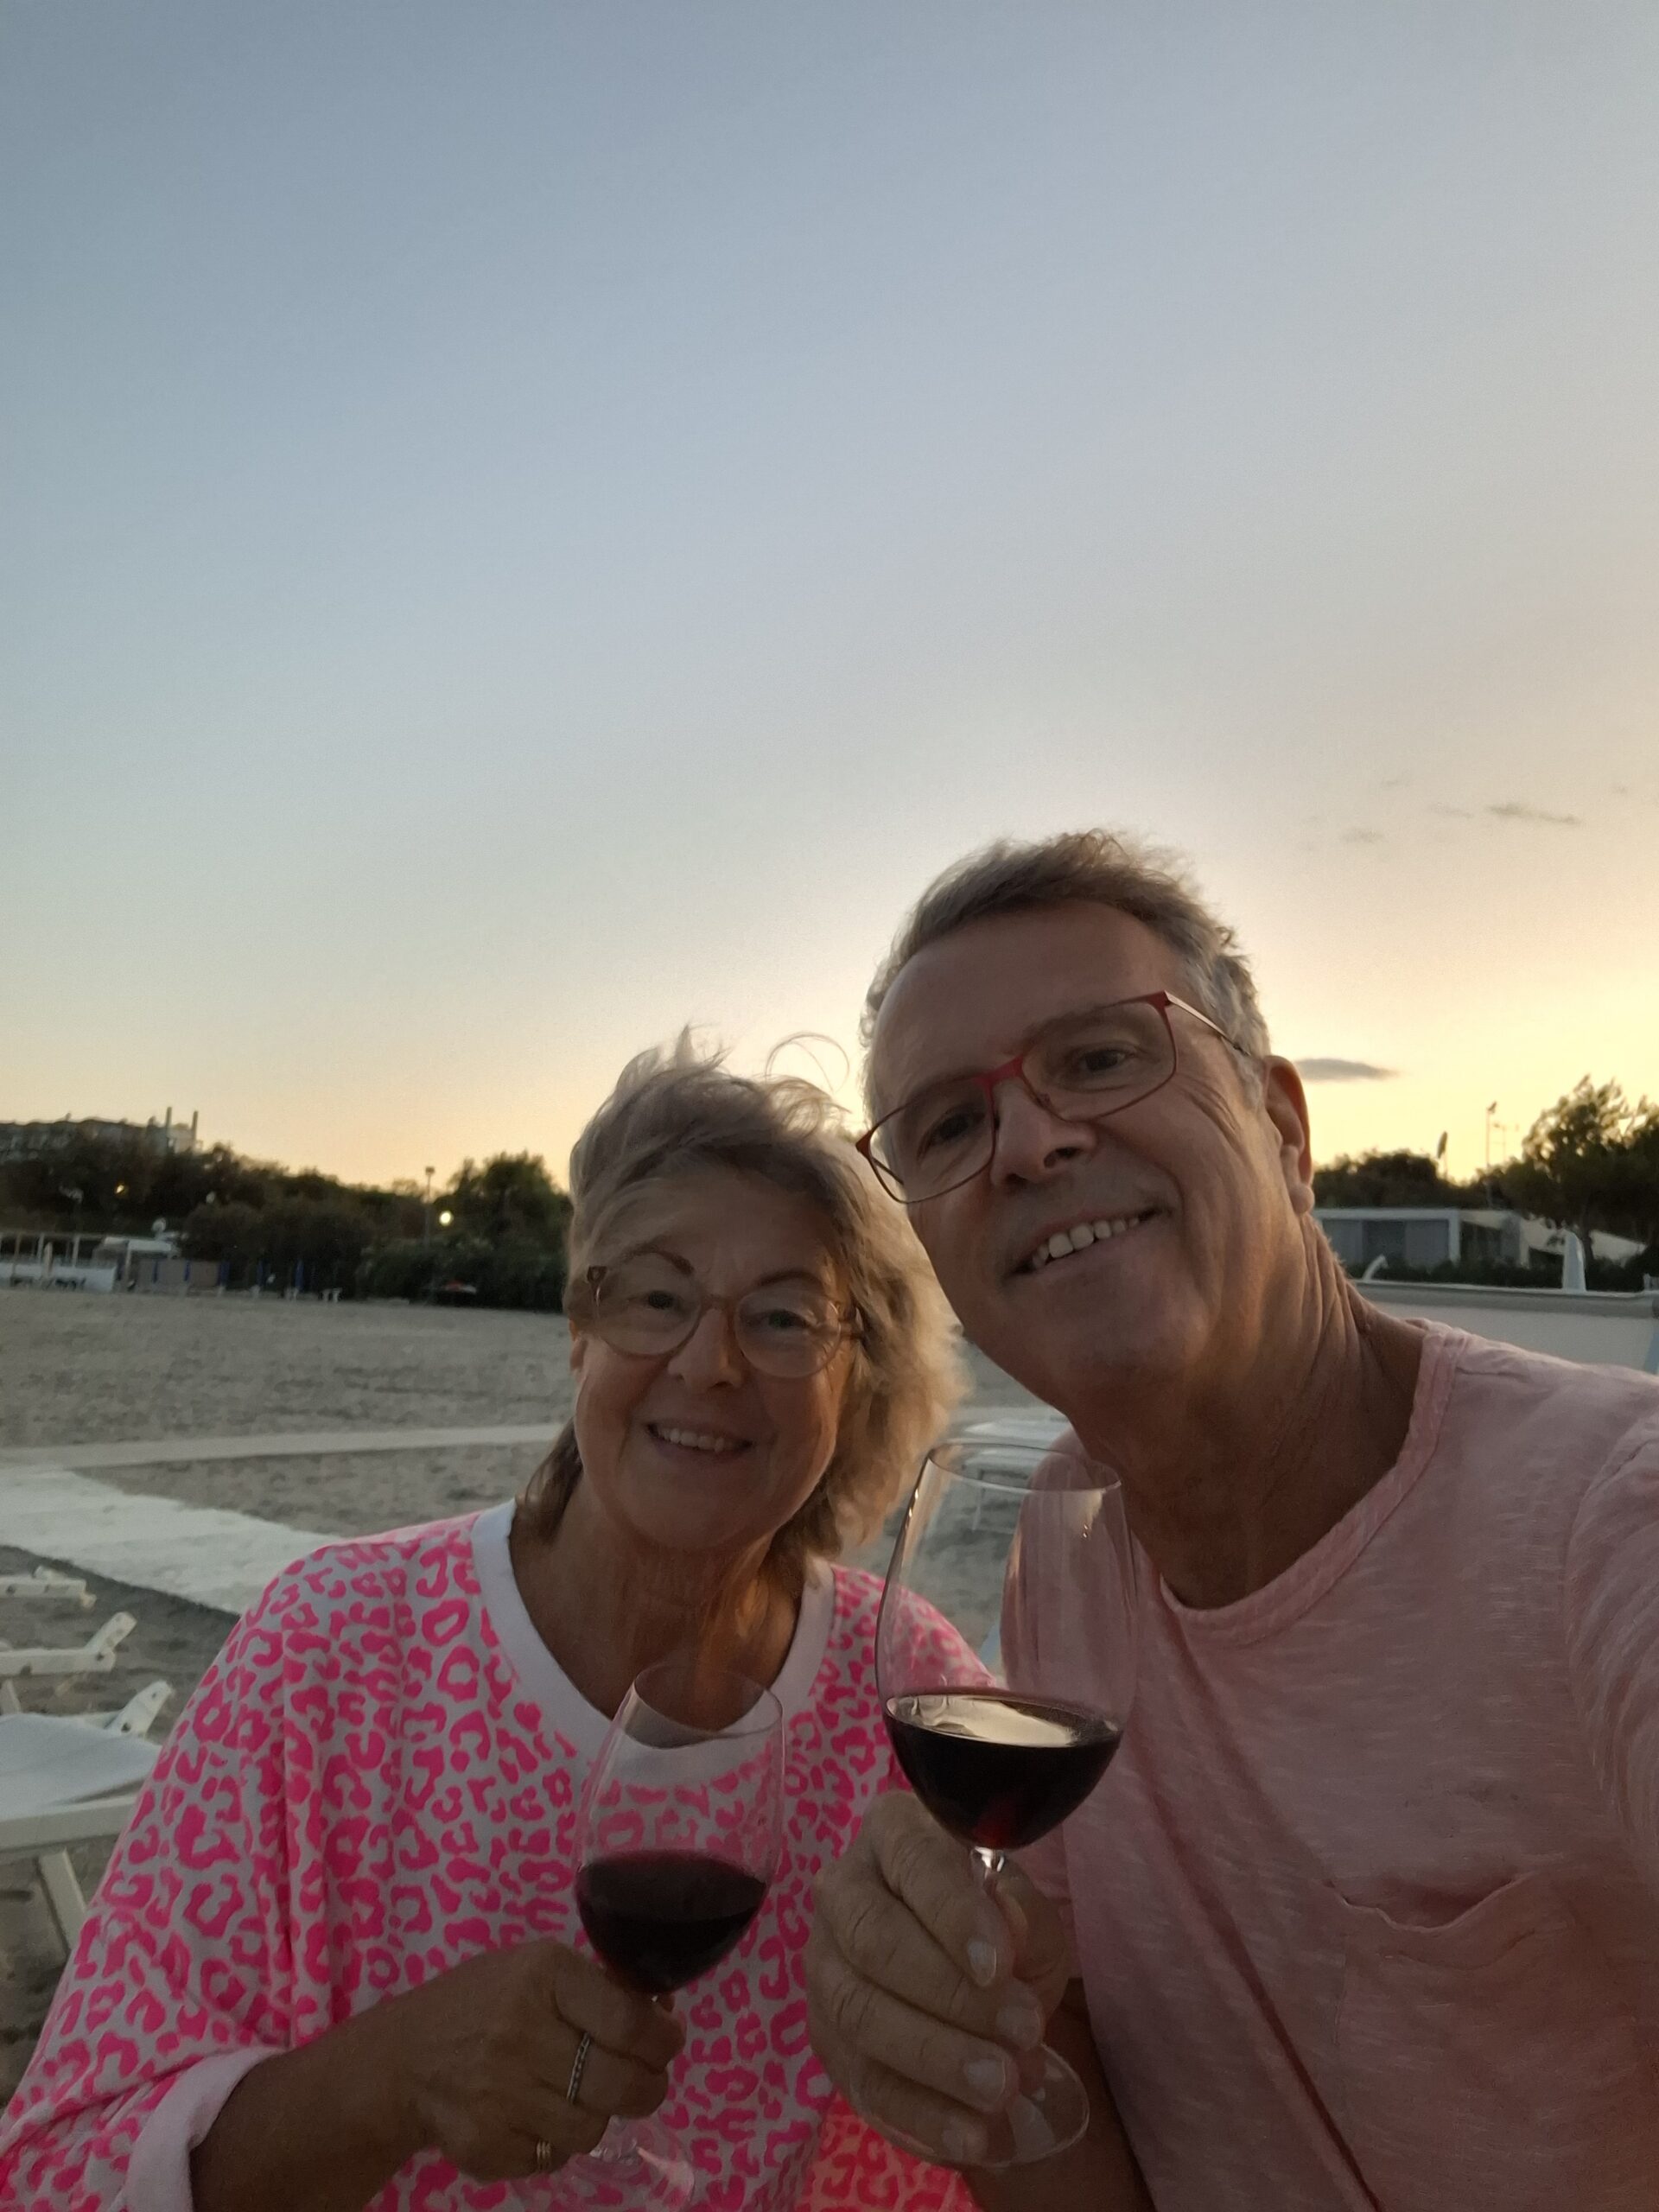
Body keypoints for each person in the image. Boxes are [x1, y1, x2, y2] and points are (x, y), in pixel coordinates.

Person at [806, 829, 1659, 2209]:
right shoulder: (1066, 1542)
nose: (1028, 1141)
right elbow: (1085, 2079)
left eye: (1098, 1057)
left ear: (1283, 1127)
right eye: (948, 1128)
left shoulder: (1609, 1522)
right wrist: (967, 2051)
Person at [1, 1042, 976, 2212]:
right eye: (657, 1298)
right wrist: (393, 2077)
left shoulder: (907, 1688)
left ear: (859, 1378)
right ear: (580, 1329)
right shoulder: (331, 1652)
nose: (710, 1363)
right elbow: (58, 2173)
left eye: (782, 1318)